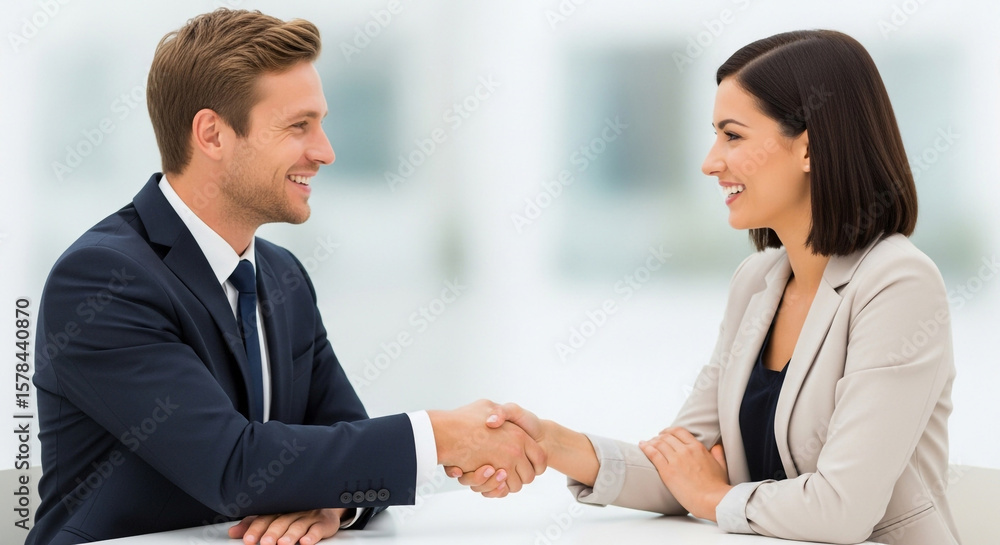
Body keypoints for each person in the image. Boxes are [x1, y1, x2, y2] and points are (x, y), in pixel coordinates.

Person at [27, 9, 543, 545]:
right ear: (213, 134)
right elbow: (232, 466)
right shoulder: (103, 279)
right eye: (299, 126)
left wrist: (334, 506)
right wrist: (438, 436)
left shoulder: (280, 274)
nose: (325, 151)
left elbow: (348, 444)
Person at [453, 30, 960, 545]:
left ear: (808, 148)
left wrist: (712, 498)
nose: (709, 161)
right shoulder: (757, 284)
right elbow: (682, 468)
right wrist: (549, 440)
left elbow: (840, 510)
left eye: (732, 136)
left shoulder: (898, 285)